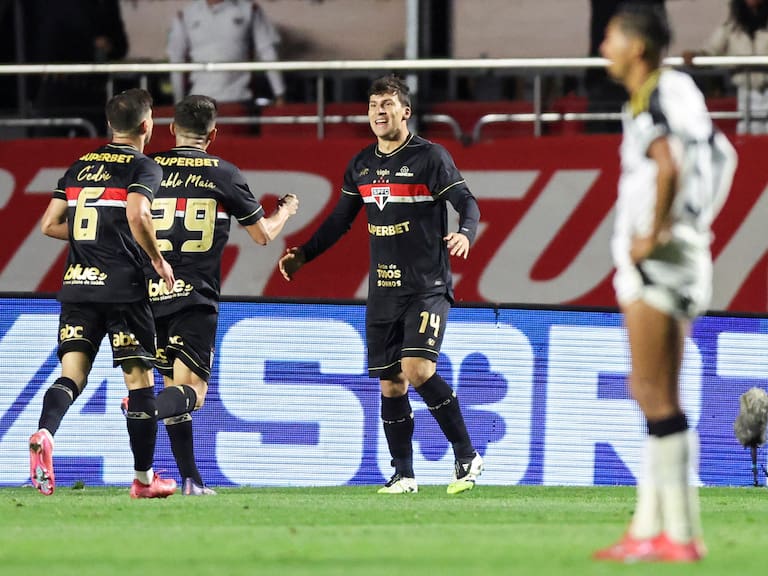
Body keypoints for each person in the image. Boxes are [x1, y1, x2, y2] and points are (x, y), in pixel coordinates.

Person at [279, 75, 484, 495]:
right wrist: (304, 254)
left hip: (427, 285)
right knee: (391, 382)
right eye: (373, 104)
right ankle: (404, 475)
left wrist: (465, 232)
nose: (378, 111)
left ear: (405, 111)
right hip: (383, 290)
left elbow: (467, 202)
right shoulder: (361, 165)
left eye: (387, 104)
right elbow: (339, 220)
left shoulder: (431, 157)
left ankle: (466, 455)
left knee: (418, 369)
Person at [594, 4, 737, 562]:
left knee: (652, 394)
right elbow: (722, 157)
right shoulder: (681, 90)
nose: (603, 46)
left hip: (660, 262)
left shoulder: (654, 94)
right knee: (655, 393)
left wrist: (652, 235)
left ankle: (679, 536)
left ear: (636, 47)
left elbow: (669, 164)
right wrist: (695, 225)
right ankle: (653, 531)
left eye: (610, 37)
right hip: (685, 256)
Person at [143, 94, 299, 495]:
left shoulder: (148, 169)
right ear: (213, 134)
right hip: (194, 295)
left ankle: (190, 480)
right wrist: (285, 211)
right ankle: (143, 411)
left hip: (146, 293)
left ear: (172, 128)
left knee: (172, 386)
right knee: (192, 393)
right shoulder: (224, 174)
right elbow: (263, 235)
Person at [29, 88, 178, 499]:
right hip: (123, 288)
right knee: (140, 380)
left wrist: (91, 244)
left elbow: (49, 224)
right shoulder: (143, 166)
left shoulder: (80, 166)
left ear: (111, 124)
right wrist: (157, 259)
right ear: (147, 125)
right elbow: (137, 212)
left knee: (71, 374)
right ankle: (144, 481)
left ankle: (45, 432)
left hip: (77, 283)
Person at [167, 0, 286, 122]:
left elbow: (267, 51)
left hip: (240, 98)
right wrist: (178, 102)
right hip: (198, 101)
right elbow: (176, 60)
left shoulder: (249, 9)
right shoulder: (186, 14)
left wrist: (279, 94)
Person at [26, 0, 129, 136]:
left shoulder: (105, 4)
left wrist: (108, 46)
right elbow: (45, 37)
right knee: (46, 147)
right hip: (57, 86)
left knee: (95, 149)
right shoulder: (51, 6)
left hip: (94, 90)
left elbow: (121, 45)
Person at [683, 0, 768, 134]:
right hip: (743, 93)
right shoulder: (732, 27)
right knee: (747, 133)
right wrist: (696, 56)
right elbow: (711, 51)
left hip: (766, 89)